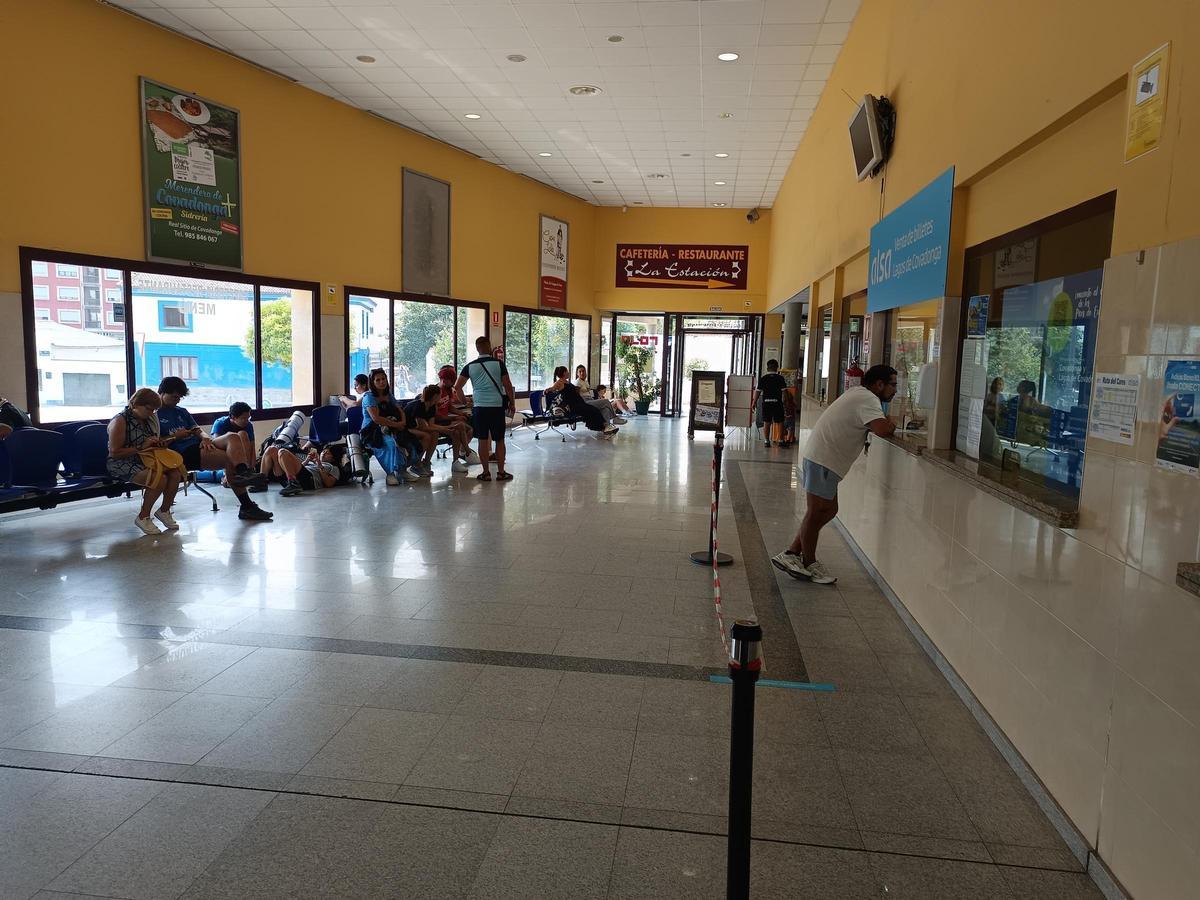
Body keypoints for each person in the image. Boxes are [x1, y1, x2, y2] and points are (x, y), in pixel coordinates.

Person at [772, 365, 898, 585]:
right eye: (893, 385)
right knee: (816, 512)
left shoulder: (859, 394)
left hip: (824, 458)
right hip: (824, 459)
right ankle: (808, 562)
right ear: (879, 384)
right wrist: (892, 423)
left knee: (829, 510)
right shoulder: (868, 399)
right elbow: (882, 429)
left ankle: (792, 553)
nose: (895, 390)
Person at [156, 377, 272, 521]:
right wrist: (175, 436)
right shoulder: (154, 415)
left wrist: (205, 437)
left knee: (233, 436)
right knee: (230, 461)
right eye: (174, 397)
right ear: (162, 393)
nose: (178, 401)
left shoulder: (181, 411)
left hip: (199, 445)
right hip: (181, 452)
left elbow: (197, 430)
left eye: (180, 397)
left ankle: (244, 473)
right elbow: (154, 443)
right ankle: (247, 505)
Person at [106, 388, 185, 535]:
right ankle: (143, 516)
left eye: (154, 410)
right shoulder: (120, 421)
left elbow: (149, 442)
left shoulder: (147, 419)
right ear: (136, 404)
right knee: (159, 478)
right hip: (122, 462)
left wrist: (159, 442)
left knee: (175, 473)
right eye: (149, 409)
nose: (151, 413)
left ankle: (164, 510)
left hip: (144, 458)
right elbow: (115, 453)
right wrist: (141, 447)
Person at [454, 336, 516, 481]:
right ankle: (501, 472)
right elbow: (507, 385)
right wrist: (512, 403)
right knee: (499, 440)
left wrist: (465, 402)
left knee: (482, 439)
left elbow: (457, 387)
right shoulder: (498, 364)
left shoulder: (470, 366)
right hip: (496, 407)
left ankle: (486, 473)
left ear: (477, 348)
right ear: (489, 346)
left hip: (479, 408)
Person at [361, 368, 423, 484]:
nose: (381, 382)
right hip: (373, 431)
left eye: (383, 379)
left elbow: (399, 410)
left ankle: (402, 470)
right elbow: (376, 418)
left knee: (408, 440)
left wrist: (402, 422)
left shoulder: (388, 394)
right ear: (372, 382)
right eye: (378, 380)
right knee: (390, 443)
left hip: (392, 426)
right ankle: (390, 473)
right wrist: (397, 424)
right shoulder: (368, 397)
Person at [407, 385, 470, 473]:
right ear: (435, 396)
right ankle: (416, 463)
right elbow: (422, 427)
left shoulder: (432, 406)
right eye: (440, 395)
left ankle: (427, 461)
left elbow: (431, 424)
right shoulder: (419, 405)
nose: (441, 397)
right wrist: (445, 429)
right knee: (428, 435)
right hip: (407, 428)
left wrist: (448, 428)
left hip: (417, 427)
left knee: (441, 432)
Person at [545, 367, 618, 437]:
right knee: (592, 411)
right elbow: (553, 388)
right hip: (574, 405)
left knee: (594, 410)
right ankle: (605, 427)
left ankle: (605, 428)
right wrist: (547, 390)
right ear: (564, 373)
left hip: (579, 403)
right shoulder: (560, 382)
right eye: (567, 371)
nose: (568, 373)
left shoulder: (566, 382)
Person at [436, 365, 477, 464]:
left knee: (470, 429)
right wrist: (455, 417)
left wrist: (461, 413)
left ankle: (462, 452)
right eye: (452, 381)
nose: (453, 384)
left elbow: (450, 407)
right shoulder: (436, 392)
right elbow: (436, 415)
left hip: (445, 419)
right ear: (444, 380)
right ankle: (466, 453)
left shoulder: (448, 390)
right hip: (438, 421)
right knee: (460, 427)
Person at [755, 359, 788, 447]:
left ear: (767, 368)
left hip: (766, 403)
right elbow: (784, 393)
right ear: (777, 368)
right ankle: (781, 440)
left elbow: (758, 392)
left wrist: (753, 402)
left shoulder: (763, 378)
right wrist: (786, 403)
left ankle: (766, 441)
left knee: (767, 422)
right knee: (780, 421)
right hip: (777, 403)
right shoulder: (780, 378)